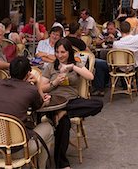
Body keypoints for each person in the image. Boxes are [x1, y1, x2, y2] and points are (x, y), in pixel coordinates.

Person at [40, 38, 103, 169]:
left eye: (63, 52)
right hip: (54, 103)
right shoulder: (51, 67)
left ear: (69, 52)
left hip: (72, 101)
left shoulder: (76, 65)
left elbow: (90, 77)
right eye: (57, 52)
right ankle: (62, 164)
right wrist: (55, 82)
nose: (59, 55)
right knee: (64, 123)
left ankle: (65, 112)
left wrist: (72, 67)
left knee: (98, 104)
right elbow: (41, 88)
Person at [0, 56, 53, 169]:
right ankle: (41, 167)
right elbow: (39, 105)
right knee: (48, 127)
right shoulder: (30, 89)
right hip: (15, 150)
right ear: (28, 73)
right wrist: (38, 83)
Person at [113, 21, 138, 91]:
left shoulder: (116, 44)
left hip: (121, 66)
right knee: (136, 59)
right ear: (130, 29)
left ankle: (124, 84)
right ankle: (135, 83)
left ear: (120, 30)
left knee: (117, 62)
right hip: (134, 65)